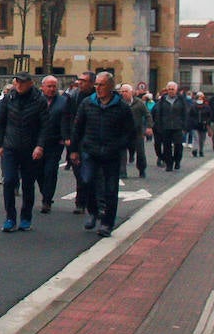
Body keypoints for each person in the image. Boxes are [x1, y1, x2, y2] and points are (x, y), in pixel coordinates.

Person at [70, 72, 136, 238]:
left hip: (111, 153)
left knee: (110, 189)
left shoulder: (121, 107)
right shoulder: (87, 103)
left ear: (110, 87)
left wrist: (119, 146)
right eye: (96, 85)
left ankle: (107, 223)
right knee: (87, 181)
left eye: (101, 85)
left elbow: (129, 132)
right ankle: (93, 211)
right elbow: (78, 127)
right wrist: (74, 150)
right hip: (90, 151)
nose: (98, 88)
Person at [0, 72, 49, 232]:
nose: (19, 85)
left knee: (28, 184)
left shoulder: (39, 100)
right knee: (9, 181)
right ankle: (10, 217)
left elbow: (45, 125)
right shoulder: (8, 99)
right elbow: (0, 121)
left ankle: (26, 217)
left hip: (30, 148)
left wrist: (40, 146)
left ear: (30, 83)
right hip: (10, 146)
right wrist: (0, 144)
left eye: (22, 82)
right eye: (17, 82)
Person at [61, 71, 95, 213]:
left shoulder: (96, 97)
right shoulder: (73, 97)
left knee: (91, 175)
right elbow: (66, 117)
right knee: (79, 172)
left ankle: (89, 203)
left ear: (92, 83)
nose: (80, 83)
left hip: (93, 140)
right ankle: (80, 202)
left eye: (84, 81)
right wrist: (67, 136)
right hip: (76, 139)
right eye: (79, 80)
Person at [37, 75, 68, 213]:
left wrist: (65, 137)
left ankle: (47, 200)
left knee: (50, 170)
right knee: (38, 171)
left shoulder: (63, 102)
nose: (51, 89)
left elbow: (68, 120)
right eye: (49, 86)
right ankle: (45, 192)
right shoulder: (36, 101)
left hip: (55, 142)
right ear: (42, 87)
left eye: (54, 86)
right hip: (37, 142)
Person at [153, 81, 191, 172]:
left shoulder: (181, 100)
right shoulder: (162, 100)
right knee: (167, 147)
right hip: (165, 127)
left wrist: (185, 126)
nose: (171, 91)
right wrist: (159, 126)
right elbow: (158, 114)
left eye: (172, 89)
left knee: (178, 145)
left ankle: (177, 160)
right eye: (169, 89)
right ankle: (169, 164)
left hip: (178, 127)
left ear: (176, 90)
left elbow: (185, 113)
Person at [119, 83, 152, 179]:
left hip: (137, 132)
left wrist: (149, 127)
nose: (124, 93)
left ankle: (142, 170)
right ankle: (122, 172)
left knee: (140, 152)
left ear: (131, 92)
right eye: (122, 92)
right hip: (123, 132)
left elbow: (147, 115)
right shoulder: (119, 103)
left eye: (126, 91)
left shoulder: (139, 103)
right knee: (122, 153)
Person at [189, 92, 208, 156]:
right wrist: (191, 122)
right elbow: (190, 115)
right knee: (196, 138)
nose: (200, 99)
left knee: (202, 139)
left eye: (201, 97)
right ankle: (195, 150)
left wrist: (207, 122)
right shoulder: (193, 106)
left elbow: (209, 116)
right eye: (198, 97)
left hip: (203, 125)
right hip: (195, 125)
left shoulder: (206, 107)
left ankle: (201, 151)